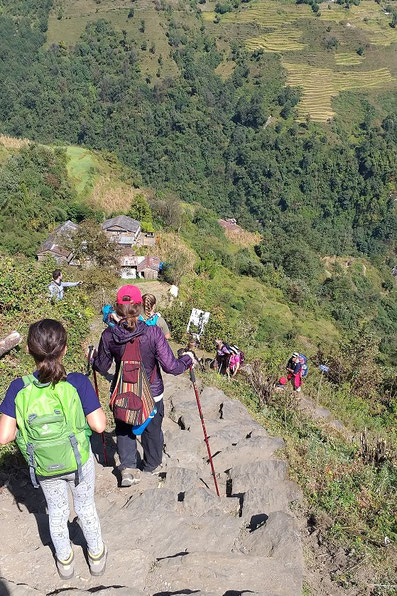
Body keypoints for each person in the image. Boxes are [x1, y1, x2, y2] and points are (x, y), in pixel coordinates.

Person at [0, 319, 107, 580]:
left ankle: (65, 561)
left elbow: (5, 436)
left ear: (28, 350)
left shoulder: (19, 388)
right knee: (85, 507)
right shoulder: (78, 383)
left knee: (56, 511)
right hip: (78, 460)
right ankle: (95, 556)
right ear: (65, 349)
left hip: (44, 466)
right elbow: (100, 425)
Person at [93, 285, 194, 487]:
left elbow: (101, 366)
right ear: (139, 307)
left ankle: (128, 469)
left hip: (123, 393)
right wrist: (187, 360)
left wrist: (93, 358)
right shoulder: (153, 333)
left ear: (117, 307)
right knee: (152, 429)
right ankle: (150, 467)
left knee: (124, 428)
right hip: (152, 393)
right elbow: (172, 367)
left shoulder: (108, 336)